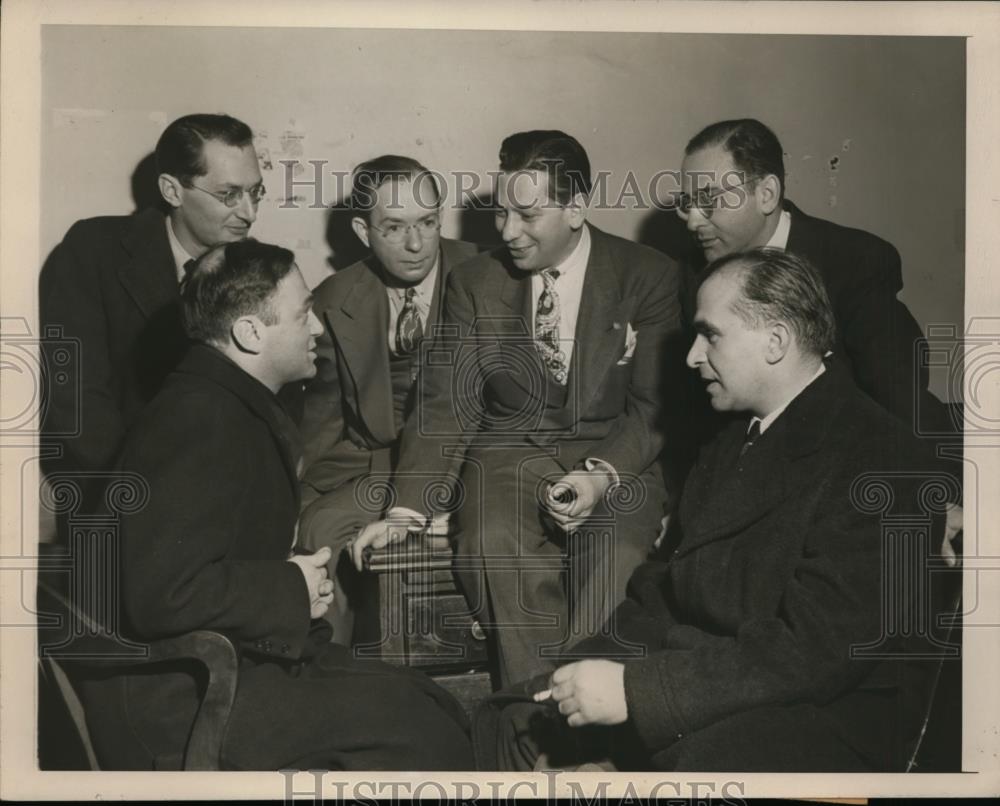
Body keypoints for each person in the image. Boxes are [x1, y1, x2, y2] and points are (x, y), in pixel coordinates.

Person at [476, 249, 947, 772]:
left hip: (824, 715)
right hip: (718, 679)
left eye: (711, 335)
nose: (692, 356)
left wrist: (633, 693)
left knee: (678, 766)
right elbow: (665, 590)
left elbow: (811, 655)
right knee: (518, 716)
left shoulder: (884, 459)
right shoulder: (731, 440)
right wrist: (583, 670)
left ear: (776, 342)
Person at [77, 239, 473, 771]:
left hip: (218, 666)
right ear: (249, 333)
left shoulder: (218, 400)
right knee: (420, 728)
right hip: (185, 698)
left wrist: (287, 583)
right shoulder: (198, 422)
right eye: (304, 313)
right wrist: (292, 585)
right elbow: (160, 595)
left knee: (425, 699)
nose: (317, 328)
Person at [352, 130, 683, 686]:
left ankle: (583, 713)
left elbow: (654, 409)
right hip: (508, 455)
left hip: (615, 460)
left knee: (617, 561)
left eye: (527, 215)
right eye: (501, 212)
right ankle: (534, 711)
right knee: (487, 547)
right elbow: (444, 404)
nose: (508, 232)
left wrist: (600, 478)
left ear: (577, 207)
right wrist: (407, 509)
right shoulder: (475, 281)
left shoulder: (647, 275)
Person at [676, 117, 962, 554]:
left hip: (849, 480)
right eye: (686, 203)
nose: (693, 220)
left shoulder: (855, 261)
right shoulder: (697, 274)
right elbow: (705, 415)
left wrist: (929, 502)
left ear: (766, 194)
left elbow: (900, 397)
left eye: (708, 201)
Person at [288, 155, 478, 642]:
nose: (417, 245)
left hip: (474, 461)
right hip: (379, 466)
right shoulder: (334, 298)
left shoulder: (491, 275)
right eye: (394, 227)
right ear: (362, 229)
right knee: (320, 533)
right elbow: (324, 422)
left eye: (428, 223)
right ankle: (334, 671)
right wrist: (296, 503)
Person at [40, 113, 264, 482]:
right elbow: (75, 395)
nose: (249, 212)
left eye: (255, 192)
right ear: (172, 190)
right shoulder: (94, 250)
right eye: (229, 195)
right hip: (119, 480)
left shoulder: (258, 267)